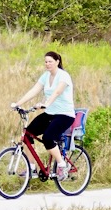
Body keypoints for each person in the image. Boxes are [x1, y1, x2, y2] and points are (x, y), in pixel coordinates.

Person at [12, 51, 76, 179]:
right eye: (46, 62)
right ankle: (32, 167)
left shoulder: (64, 76)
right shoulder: (45, 76)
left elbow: (57, 92)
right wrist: (18, 104)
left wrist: (46, 103)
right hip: (50, 114)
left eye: (50, 61)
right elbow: (34, 90)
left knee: (48, 137)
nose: (47, 64)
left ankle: (62, 165)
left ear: (57, 62)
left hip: (64, 115)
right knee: (27, 134)